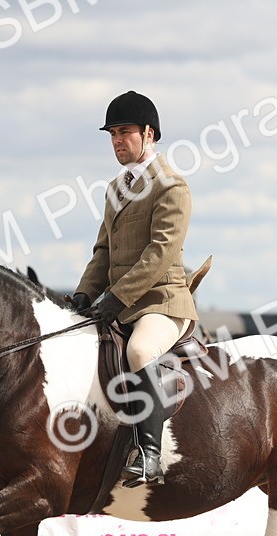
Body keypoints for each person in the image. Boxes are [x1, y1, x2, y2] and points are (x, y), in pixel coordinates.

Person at [72, 91, 199, 488]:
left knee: (140, 350)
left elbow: (160, 253)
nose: (117, 141)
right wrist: (82, 294)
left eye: (125, 132)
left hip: (162, 302)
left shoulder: (171, 186)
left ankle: (149, 455)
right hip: (118, 302)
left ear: (149, 134)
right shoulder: (115, 189)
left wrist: (116, 297)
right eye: (112, 134)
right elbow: (103, 251)